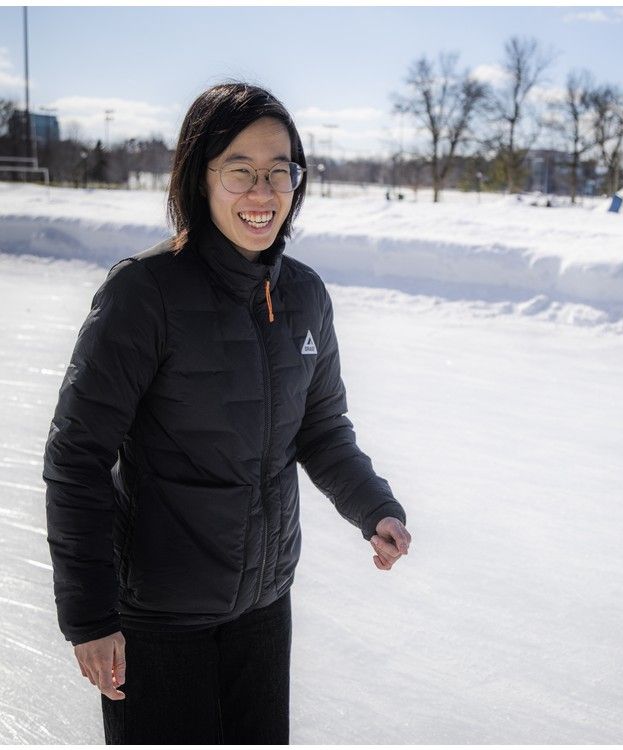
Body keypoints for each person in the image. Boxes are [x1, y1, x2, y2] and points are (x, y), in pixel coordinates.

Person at [43, 82, 412, 744]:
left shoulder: (303, 295)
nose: (262, 192)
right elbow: (78, 456)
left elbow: (322, 428)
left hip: (263, 607)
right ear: (199, 177)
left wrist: (374, 507)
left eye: (280, 171)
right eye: (240, 170)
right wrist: (90, 617)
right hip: (159, 619)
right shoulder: (143, 294)